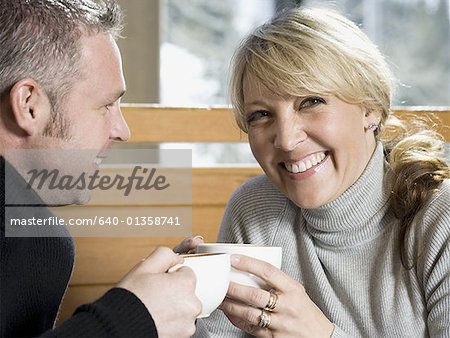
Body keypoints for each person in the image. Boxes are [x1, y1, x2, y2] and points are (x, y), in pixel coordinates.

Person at [194, 6, 450, 338]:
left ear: (370, 108)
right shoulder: (254, 210)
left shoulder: (439, 220)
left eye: (311, 101)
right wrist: (184, 305)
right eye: (260, 115)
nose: (286, 139)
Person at [0, 0, 203, 337]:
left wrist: (143, 304)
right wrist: (131, 319)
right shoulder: (35, 240)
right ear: (29, 105)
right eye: (106, 105)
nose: (123, 130)